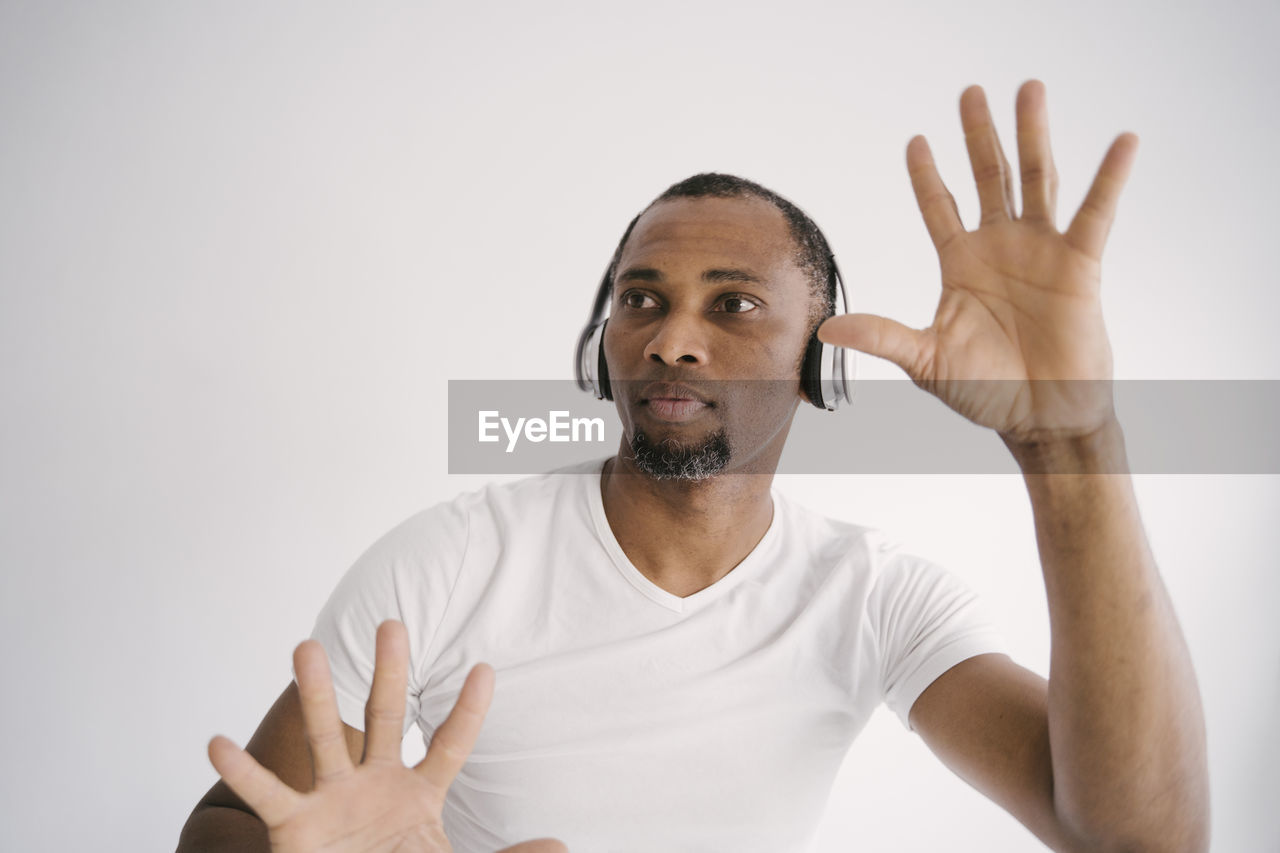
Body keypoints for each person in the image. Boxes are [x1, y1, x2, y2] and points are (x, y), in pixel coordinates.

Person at [178, 81, 1210, 852]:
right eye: (639, 299)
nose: (671, 337)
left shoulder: (874, 595)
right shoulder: (445, 565)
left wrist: (1066, 442)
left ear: (819, 366)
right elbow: (231, 819)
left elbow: (1136, 837)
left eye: (732, 303)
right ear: (602, 349)